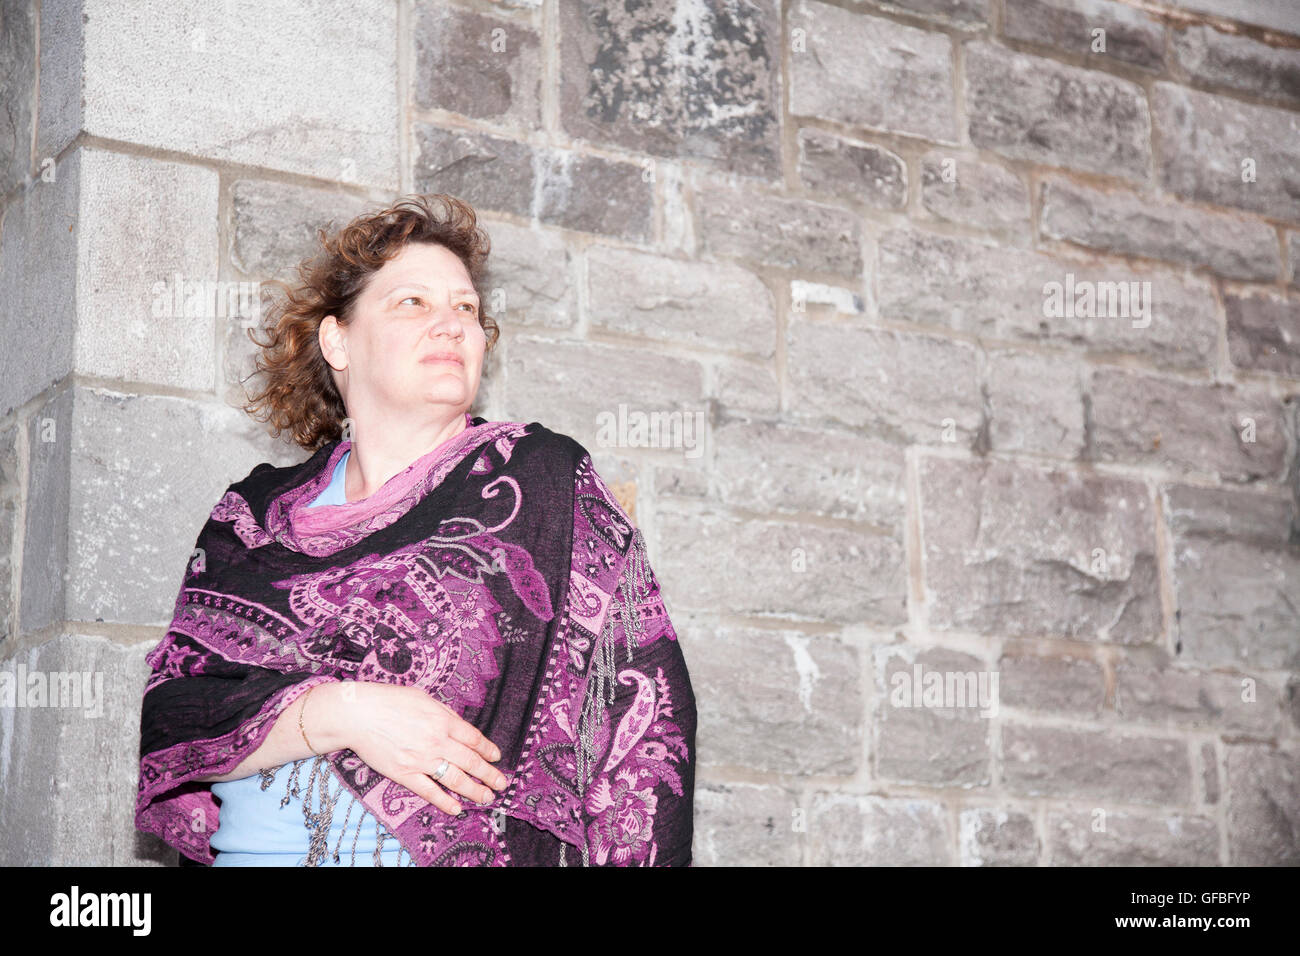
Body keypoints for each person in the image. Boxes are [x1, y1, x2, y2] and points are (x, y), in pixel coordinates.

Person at [134, 194, 696, 866]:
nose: (452, 325)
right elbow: (173, 716)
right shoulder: (251, 516)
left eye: (466, 309)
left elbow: (647, 725)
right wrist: (344, 712)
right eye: (413, 303)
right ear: (338, 340)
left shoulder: (540, 483)